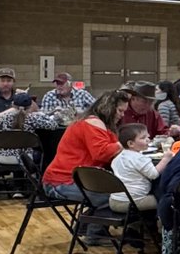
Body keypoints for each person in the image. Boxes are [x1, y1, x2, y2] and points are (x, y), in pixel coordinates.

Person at [43, 90, 130, 239]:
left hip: (70, 179)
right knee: (115, 198)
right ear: (109, 108)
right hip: (61, 182)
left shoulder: (95, 122)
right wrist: (124, 144)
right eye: (120, 110)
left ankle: (84, 227)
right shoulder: (93, 123)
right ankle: (94, 234)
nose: (122, 115)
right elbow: (101, 153)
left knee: (116, 193)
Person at [109, 123, 173, 214]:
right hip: (132, 202)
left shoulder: (117, 158)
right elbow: (154, 174)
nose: (148, 140)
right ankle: (159, 222)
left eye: (147, 136)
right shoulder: (139, 159)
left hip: (114, 201)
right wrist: (166, 159)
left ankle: (143, 222)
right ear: (131, 143)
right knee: (167, 200)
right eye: (143, 138)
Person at [0, 92, 59, 165]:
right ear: (31, 106)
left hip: (4, 157)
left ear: (13, 105)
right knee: (43, 153)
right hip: (26, 158)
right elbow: (54, 125)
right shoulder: (33, 118)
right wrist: (39, 112)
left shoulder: (5, 117)